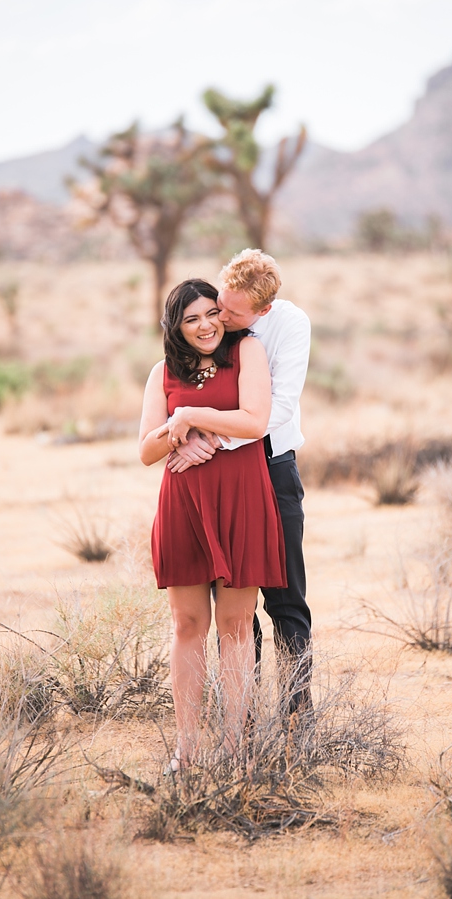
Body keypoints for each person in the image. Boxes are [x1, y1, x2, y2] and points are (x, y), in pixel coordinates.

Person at [138, 278, 287, 768]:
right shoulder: (162, 372)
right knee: (187, 624)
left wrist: (194, 416)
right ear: (175, 326)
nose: (205, 326)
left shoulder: (247, 353)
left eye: (210, 314)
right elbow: (145, 451)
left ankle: (233, 748)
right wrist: (178, 434)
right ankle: (186, 748)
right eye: (190, 318)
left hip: (241, 496)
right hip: (184, 502)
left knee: (236, 625)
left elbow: (254, 421)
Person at [167, 249, 313, 715]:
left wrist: (212, 440)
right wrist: (182, 440)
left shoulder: (288, 326)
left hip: (271, 467)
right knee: (234, 605)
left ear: (262, 311)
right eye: (217, 305)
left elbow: (280, 408)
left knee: (286, 600)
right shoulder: (210, 328)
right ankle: (241, 718)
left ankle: (295, 718)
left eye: (231, 312)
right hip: (219, 478)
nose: (219, 318)